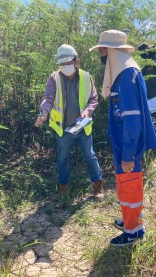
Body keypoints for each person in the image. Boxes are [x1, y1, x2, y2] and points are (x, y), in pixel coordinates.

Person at [89, 30, 156, 247]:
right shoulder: (125, 73)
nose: (100, 53)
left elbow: (132, 119)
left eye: (102, 49)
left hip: (128, 144)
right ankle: (133, 218)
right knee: (128, 183)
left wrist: (128, 154)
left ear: (112, 51)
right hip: (124, 141)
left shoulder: (126, 77)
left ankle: (133, 231)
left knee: (128, 184)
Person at [34, 44, 104, 200]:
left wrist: (87, 112)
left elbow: (94, 99)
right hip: (63, 128)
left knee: (90, 156)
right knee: (62, 158)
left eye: (68, 63)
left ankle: (98, 185)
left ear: (76, 61)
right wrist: (43, 113)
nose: (65, 66)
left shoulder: (87, 77)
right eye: (62, 64)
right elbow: (48, 98)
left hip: (83, 126)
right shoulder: (54, 78)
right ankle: (63, 187)